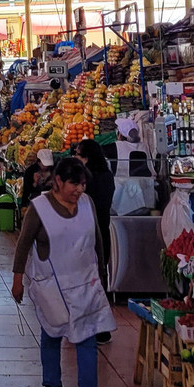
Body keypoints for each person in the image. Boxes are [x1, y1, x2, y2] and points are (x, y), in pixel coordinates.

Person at [11, 157, 115, 387]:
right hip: (52, 286)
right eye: (74, 184)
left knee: (87, 339)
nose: (80, 190)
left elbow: (97, 240)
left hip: (85, 284)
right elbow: (23, 244)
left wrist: (102, 276)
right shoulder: (39, 208)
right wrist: (17, 279)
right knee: (52, 335)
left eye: (83, 184)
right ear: (58, 181)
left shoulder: (87, 204)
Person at [76, 139, 116, 343]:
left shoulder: (86, 179)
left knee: (86, 281)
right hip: (103, 232)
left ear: (87, 157)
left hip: (87, 235)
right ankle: (101, 327)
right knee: (99, 278)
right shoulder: (107, 175)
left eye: (78, 154)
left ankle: (92, 327)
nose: (76, 158)